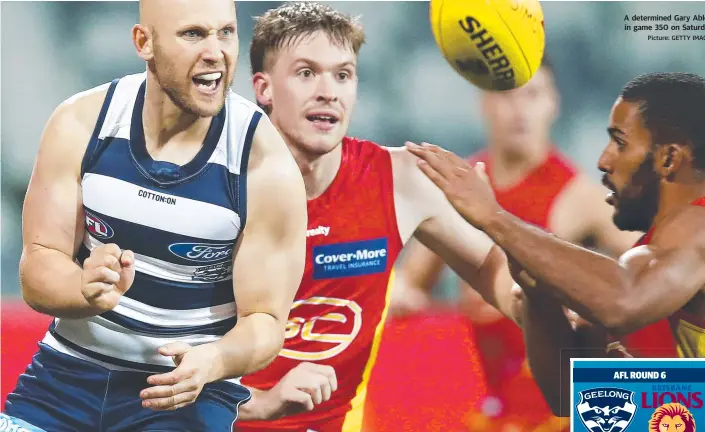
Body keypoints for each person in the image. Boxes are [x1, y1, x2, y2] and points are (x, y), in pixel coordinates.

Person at [3, 0, 307, 431]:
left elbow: (265, 322)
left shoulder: (264, 165)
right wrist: (82, 287)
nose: (216, 52)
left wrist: (214, 360)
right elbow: (39, 265)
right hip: (63, 378)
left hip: (183, 396)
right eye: (193, 34)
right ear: (144, 42)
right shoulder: (81, 123)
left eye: (226, 33)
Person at [231, 2, 523, 431]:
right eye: (306, 73)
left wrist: (548, 309)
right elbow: (153, 361)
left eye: (343, 74)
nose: (328, 91)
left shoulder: (401, 178)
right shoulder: (217, 187)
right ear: (264, 88)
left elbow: (490, 266)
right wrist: (264, 402)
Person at [407, 72, 705, 429]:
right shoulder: (646, 265)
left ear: (668, 159)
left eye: (620, 143)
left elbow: (621, 301)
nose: (603, 160)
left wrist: (496, 219)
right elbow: (566, 394)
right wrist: (536, 293)